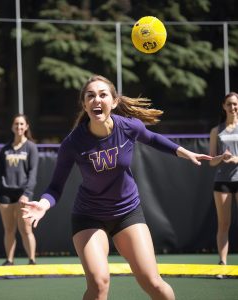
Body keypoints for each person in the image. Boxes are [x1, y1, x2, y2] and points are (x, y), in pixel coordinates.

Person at [22, 75, 212, 300]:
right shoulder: (73, 143)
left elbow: (153, 138)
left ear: (113, 102)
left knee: (153, 282)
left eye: (103, 95)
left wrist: (184, 152)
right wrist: (43, 205)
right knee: (99, 283)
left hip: (127, 213)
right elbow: (55, 187)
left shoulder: (128, 127)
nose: (96, 100)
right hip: (89, 217)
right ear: (84, 104)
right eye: (90, 96)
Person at [0, 114, 38, 265]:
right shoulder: (5, 149)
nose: (19, 127)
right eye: (16, 124)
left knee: (26, 230)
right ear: (12, 127)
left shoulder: (31, 147)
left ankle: (32, 260)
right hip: (5, 194)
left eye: (22, 124)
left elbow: (33, 173)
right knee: (9, 230)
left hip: (23, 194)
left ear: (26, 127)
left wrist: (27, 194)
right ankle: (9, 260)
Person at [209, 92, 238, 269]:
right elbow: (211, 160)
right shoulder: (216, 131)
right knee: (223, 223)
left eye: (235, 104)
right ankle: (222, 264)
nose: (233, 107)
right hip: (222, 182)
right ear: (224, 106)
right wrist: (222, 157)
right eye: (229, 104)